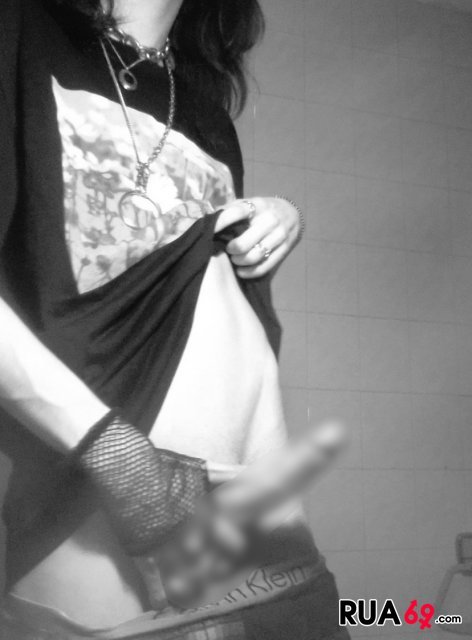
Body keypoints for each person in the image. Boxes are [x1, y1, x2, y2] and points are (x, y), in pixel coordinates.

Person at [0, 0, 349, 638]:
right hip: (97, 514)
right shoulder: (21, 27)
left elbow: (196, 287)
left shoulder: (206, 113)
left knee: (414, 615)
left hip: (262, 509)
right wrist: (116, 455)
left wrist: (276, 217)